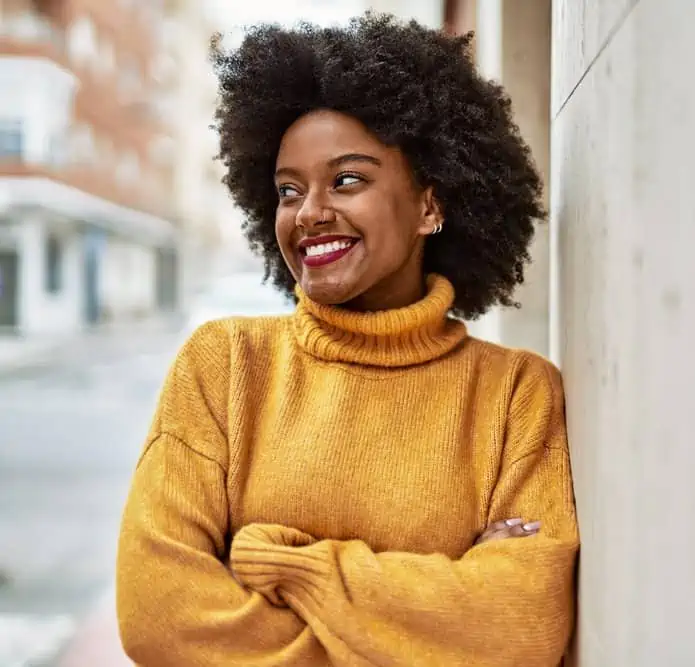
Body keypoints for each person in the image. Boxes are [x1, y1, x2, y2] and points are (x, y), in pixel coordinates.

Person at [116, 12, 579, 667]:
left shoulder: (513, 393)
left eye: (348, 179)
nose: (309, 212)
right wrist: (427, 615)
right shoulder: (223, 367)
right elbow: (158, 614)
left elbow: (522, 624)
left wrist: (288, 565)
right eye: (288, 189)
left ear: (429, 204)